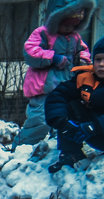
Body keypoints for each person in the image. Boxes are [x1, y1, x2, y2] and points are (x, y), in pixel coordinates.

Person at [12, 0, 94, 150]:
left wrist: (83, 58)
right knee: (40, 120)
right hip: (43, 86)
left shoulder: (74, 37)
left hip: (64, 85)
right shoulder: (43, 33)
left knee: (64, 117)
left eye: (73, 25)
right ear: (56, 20)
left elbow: (83, 49)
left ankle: (57, 147)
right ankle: (20, 148)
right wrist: (52, 57)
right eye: (66, 25)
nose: (69, 29)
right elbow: (30, 51)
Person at [45, 35, 104, 172]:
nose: (101, 64)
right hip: (92, 133)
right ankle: (70, 153)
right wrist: (61, 121)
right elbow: (57, 96)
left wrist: (94, 126)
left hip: (97, 128)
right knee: (71, 103)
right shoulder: (84, 79)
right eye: (98, 59)